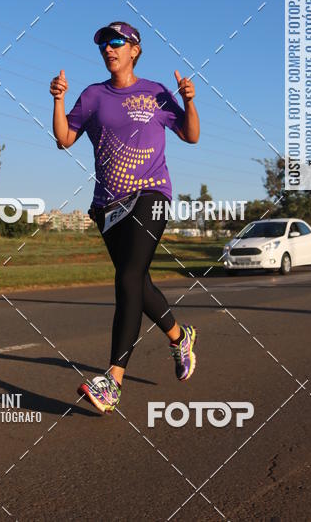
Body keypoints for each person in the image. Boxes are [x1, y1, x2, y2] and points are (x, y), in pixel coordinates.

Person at [50, 21, 200, 414]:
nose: (109, 49)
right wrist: (58, 100)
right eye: (104, 44)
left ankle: (113, 381)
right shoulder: (93, 95)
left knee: (128, 278)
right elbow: (64, 139)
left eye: (117, 42)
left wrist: (189, 101)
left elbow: (191, 135)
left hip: (151, 195)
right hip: (108, 205)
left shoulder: (155, 92)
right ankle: (180, 336)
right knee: (139, 281)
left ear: (135, 49)